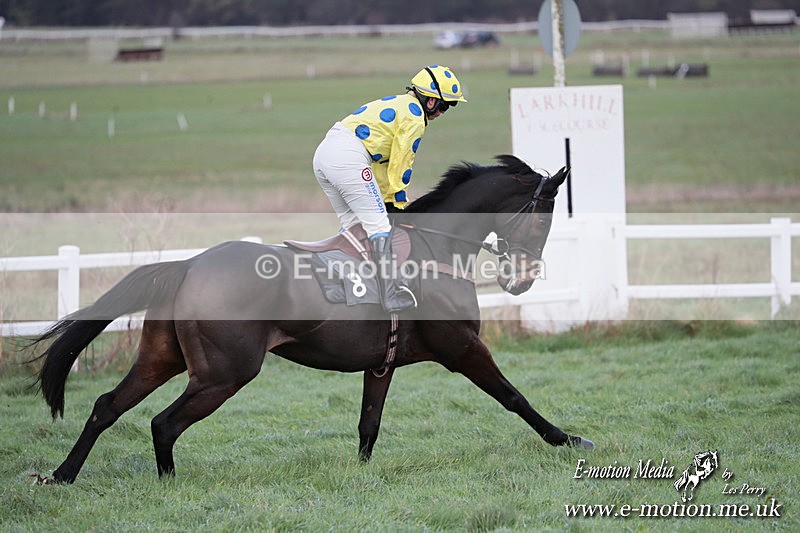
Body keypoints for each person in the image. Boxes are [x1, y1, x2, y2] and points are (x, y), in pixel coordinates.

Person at [313, 65, 467, 312]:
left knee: (354, 227)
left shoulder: (401, 104)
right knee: (380, 227)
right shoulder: (415, 117)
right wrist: (398, 202)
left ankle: (346, 285)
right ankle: (390, 295)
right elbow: (401, 163)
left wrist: (386, 199)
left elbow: (384, 167)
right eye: (444, 105)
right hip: (347, 156)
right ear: (429, 101)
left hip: (325, 154)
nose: (443, 112)